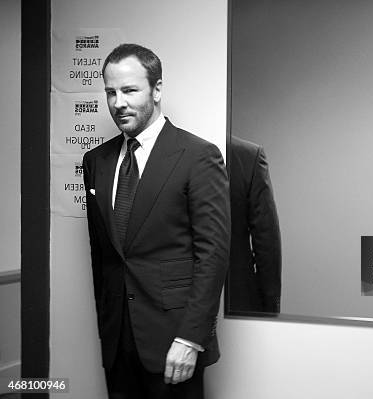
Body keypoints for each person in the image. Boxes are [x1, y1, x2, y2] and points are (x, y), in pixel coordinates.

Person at [82, 43, 230, 398]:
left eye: (130, 90)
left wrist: (191, 338)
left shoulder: (198, 157)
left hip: (174, 341)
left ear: (157, 89)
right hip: (117, 342)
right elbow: (102, 255)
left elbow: (213, 256)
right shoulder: (96, 161)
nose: (119, 103)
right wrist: (107, 328)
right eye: (111, 92)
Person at [228, 137, 282, 313]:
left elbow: (267, 239)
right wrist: (270, 308)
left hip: (166, 303)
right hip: (237, 296)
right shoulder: (246, 155)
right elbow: (267, 240)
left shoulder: (167, 151)